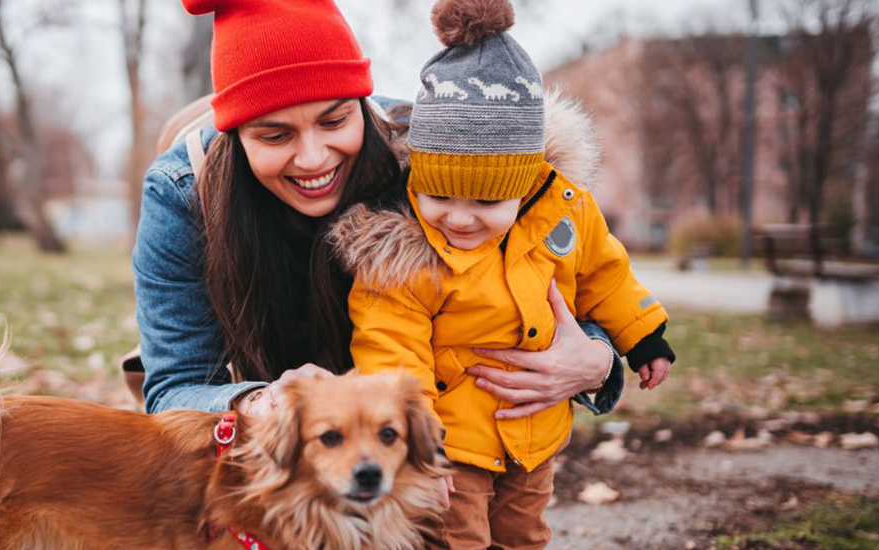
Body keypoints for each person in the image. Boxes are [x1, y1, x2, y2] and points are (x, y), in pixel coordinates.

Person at [133, 0, 623, 422]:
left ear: (363, 102)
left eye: (335, 119)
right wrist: (258, 402)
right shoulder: (181, 194)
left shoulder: (432, 153)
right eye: (275, 135)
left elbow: (556, 281)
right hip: (276, 445)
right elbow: (174, 387)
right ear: (235, 137)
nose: (313, 159)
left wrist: (598, 361)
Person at [332, 1, 676, 548]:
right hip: (454, 449)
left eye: (488, 200)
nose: (460, 217)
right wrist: (420, 444)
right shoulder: (401, 255)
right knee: (457, 539)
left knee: (526, 536)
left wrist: (643, 336)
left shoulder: (563, 212)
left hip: (533, 437)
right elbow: (392, 354)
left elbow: (606, 274)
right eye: (438, 193)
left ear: (524, 184)